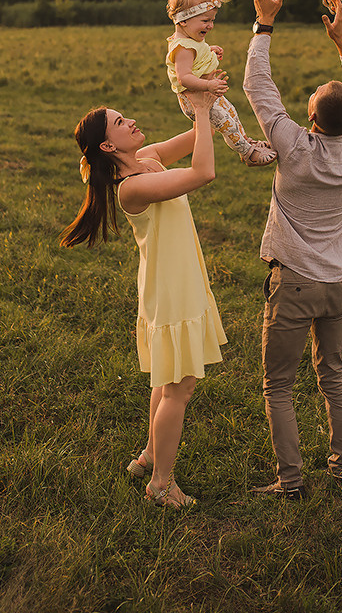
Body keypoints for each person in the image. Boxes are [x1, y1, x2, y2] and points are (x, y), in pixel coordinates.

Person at [60, 89, 227, 509]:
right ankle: (161, 484)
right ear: (107, 146)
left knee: (165, 379)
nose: (130, 121)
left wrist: (203, 91)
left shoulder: (147, 159)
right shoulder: (132, 187)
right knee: (179, 388)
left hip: (174, 282)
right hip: (171, 290)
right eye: (120, 122)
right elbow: (203, 172)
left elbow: (195, 136)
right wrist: (205, 114)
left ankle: (149, 456)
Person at [243, 0, 342, 499]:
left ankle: (291, 482)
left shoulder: (295, 149)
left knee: (279, 384)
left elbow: (258, 86)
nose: (310, 91)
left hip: (293, 285)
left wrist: (265, 22)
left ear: (314, 119)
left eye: (315, 93)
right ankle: (341, 470)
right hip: (336, 286)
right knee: (333, 374)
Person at [166, 0, 277, 168]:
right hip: (196, 100)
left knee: (232, 114)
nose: (210, 26)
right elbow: (183, 77)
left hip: (207, 95)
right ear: (183, 21)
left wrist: (208, 50)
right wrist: (208, 86)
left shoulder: (190, 40)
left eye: (212, 20)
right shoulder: (183, 48)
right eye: (205, 21)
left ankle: (246, 143)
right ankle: (249, 154)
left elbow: (196, 55)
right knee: (226, 124)